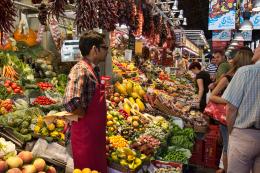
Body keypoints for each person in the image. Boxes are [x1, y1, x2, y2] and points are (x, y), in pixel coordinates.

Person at [64, 30, 109, 172]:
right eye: (105, 48)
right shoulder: (81, 69)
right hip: (85, 138)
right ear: (94, 49)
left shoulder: (93, 69)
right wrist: (83, 114)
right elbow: (70, 101)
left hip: (95, 137)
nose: (107, 51)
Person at [209, 47, 254, 173]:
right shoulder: (227, 77)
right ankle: (225, 169)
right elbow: (213, 96)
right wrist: (231, 100)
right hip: (226, 118)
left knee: (232, 148)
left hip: (241, 119)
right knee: (228, 147)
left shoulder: (249, 77)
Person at [222, 46, 260, 173]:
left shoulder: (245, 72)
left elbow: (231, 108)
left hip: (244, 134)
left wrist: (231, 131)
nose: (254, 50)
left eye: (258, 47)